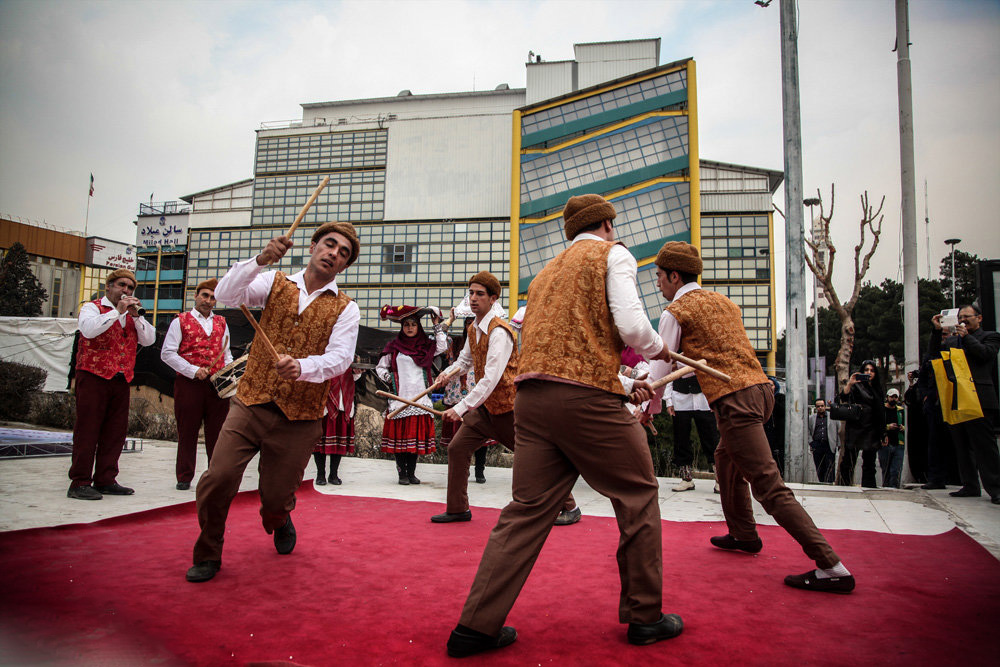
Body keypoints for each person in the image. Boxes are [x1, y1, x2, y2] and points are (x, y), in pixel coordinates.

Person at [447, 194, 679, 658]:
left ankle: (474, 627)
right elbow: (633, 329)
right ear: (608, 224)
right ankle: (644, 616)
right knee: (636, 494)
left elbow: (561, 346)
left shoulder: (546, 274)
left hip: (531, 400)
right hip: (586, 399)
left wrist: (619, 379)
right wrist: (658, 350)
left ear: (570, 231)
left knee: (526, 509)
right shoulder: (614, 254)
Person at [649, 240, 854, 595]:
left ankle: (831, 565)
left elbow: (659, 366)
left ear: (674, 275)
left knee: (768, 485)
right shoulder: (725, 303)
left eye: (659, 277)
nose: (657, 284)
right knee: (725, 458)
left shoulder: (676, 311)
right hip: (762, 391)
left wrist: (644, 409)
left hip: (734, 400)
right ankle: (744, 533)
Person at [185, 222, 361, 583]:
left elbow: (342, 358)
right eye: (329, 245)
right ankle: (208, 552)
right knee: (218, 479)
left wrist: (303, 367)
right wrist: (261, 259)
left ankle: (279, 517)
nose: (334, 254)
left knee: (277, 496)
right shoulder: (274, 282)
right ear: (313, 246)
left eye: (343, 253)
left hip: (299, 416)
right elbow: (228, 295)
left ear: (344, 266)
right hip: (251, 402)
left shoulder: (347, 308)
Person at [430, 272, 580, 526]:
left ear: (493, 299)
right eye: (471, 293)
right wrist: (445, 374)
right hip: (486, 410)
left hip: (511, 409)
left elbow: (490, 378)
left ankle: (570, 507)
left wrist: (461, 407)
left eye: (480, 294)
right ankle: (458, 509)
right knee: (457, 448)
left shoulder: (500, 331)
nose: (474, 298)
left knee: (534, 459)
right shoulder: (473, 329)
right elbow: (465, 361)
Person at [67, 269, 156, 500]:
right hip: (93, 375)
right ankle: (79, 482)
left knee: (115, 432)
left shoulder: (132, 315)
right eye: (121, 286)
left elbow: (149, 340)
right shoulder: (92, 307)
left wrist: (137, 317)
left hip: (121, 378)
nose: (125, 291)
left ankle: (105, 479)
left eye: (130, 288)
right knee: (88, 430)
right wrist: (117, 312)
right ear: (109, 286)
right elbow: (88, 330)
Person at [160, 279, 233, 491]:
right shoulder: (180, 321)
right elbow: (167, 353)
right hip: (189, 384)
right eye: (204, 295)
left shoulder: (221, 322)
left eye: (212, 297)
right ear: (195, 295)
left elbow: (226, 353)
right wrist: (192, 370)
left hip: (216, 386)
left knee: (218, 434)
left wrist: (226, 376)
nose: (208, 301)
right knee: (187, 432)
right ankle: (184, 476)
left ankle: (216, 476)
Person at [930, 305, 1000, 504]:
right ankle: (970, 484)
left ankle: (995, 488)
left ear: (979, 318)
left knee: (984, 446)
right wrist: (936, 331)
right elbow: (934, 355)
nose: (963, 320)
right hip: (958, 397)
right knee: (961, 445)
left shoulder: (990, 336)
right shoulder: (953, 341)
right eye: (960, 317)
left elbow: (985, 354)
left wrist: (967, 337)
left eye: (967, 317)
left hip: (979, 398)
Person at [376, 306, 448, 485]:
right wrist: (390, 378)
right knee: (401, 440)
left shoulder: (426, 347)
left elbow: (442, 346)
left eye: (413, 325)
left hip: (420, 399)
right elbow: (380, 367)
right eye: (406, 324)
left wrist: (437, 325)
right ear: (401, 327)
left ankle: (412, 473)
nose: (409, 328)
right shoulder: (394, 347)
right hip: (400, 399)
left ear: (418, 327)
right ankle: (402, 474)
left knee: (413, 441)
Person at [654, 368, 719, 492]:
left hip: (704, 397)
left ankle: (720, 479)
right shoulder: (675, 349)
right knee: (681, 438)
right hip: (680, 397)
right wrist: (668, 401)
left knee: (711, 438)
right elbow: (669, 372)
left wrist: (715, 397)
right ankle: (686, 479)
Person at [835, 360, 884, 488]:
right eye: (866, 370)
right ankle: (844, 486)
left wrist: (882, 432)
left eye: (872, 370)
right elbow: (843, 398)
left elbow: (880, 412)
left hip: (872, 429)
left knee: (869, 464)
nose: (869, 373)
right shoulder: (857, 386)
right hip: (856, 427)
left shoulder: (877, 388)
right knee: (849, 461)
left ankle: (869, 487)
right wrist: (850, 384)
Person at [313, 365, 362, 486]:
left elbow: (353, 377)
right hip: (325, 399)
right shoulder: (322, 352)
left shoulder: (347, 355)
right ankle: (320, 474)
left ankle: (333, 474)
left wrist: (356, 372)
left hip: (343, 399)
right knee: (321, 441)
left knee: (340, 438)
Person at [879, 388, 906, 488]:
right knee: (885, 470)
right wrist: (888, 427)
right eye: (891, 397)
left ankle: (894, 488)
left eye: (895, 397)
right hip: (885, 444)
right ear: (887, 397)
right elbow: (878, 425)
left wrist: (903, 428)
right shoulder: (882, 410)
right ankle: (885, 488)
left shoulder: (901, 411)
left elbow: (907, 425)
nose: (893, 399)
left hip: (898, 443)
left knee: (896, 470)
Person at [808, 399, 839, 484]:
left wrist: (838, 444)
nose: (820, 408)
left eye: (822, 406)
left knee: (830, 466)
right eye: (818, 406)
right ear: (816, 407)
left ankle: (829, 483)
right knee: (819, 466)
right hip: (817, 445)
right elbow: (808, 431)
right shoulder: (811, 418)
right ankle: (821, 482)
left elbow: (838, 430)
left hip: (829, 444)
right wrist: (811, 442)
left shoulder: (832, 417)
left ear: (825, 406)